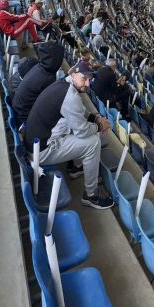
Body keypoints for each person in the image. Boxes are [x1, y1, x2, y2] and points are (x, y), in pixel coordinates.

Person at [20, 60, 113, 210]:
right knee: (93, 141)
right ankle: (91, 195)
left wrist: (95, 118)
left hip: (35, 141)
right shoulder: (71, 96)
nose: (88, 84)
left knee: (74, 124)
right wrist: (99, 126)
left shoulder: (64, 84)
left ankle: (76, 167)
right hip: (40, 152)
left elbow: (79, 112)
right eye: (84, 79)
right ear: (74, 74)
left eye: (90, 80)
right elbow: (82, 132)